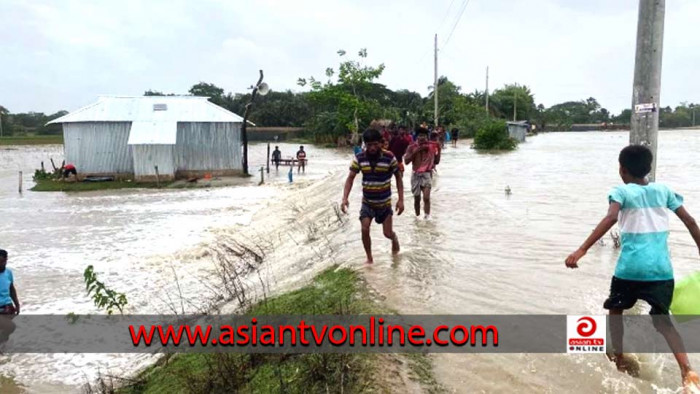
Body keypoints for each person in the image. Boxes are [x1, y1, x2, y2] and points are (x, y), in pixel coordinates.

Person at [565, 145, 700, 391]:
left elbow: (611, 217)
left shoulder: (621, 191)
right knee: (663, 322)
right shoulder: (664, 191)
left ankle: (618, 358)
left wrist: (582, 249)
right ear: (648, 168)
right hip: (661, 271)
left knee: (616, 312)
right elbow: (690, 221)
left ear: (622, 169)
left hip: (630, 270)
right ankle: (687, 369)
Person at [341, 129, 404, 264]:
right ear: (365, 145)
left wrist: (401, 200)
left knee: (387, 234)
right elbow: (350, 178)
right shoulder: (360, 158)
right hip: (368, 203)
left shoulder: (389, 157)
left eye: (375, 144)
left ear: (381, 143)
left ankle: (394, 238)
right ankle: (369, 258)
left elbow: (398, 178)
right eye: (369, 145)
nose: (372, 148)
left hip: (385, 203)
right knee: (364, 228)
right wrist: (345, 198)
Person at [404, 127, 438, 219]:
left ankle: (427, 218)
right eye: (419, 136)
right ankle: (417, 217)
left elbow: (437, 161)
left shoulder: (432, 146)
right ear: (417, 137)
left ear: (427, 137)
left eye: (423, 136)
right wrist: (416, 151)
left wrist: (438, 151)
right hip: (415, 174)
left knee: (426, 197)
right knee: (417, 198)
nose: (421, 138)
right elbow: (406, 161)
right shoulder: (411, 147)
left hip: (427, 174)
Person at [0, 250, 20, 316]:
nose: (1, 264)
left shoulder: (8, 272)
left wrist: (17, 304)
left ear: (6, 260)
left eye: (2, 262)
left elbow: (11, 289)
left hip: (8, 306)